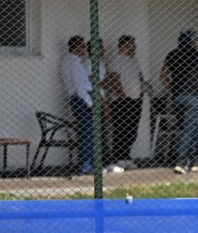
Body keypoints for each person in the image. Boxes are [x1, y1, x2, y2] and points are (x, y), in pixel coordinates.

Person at [160, 30, 198, 174]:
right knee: (189, 129)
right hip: (193, 96)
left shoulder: (172, 54)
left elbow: (163, 75)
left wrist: (172, 89)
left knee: (188, 127)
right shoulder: (197, 54)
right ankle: (181, 162)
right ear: (192, 41)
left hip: (178, 97)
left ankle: (193, 160)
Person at [106, 35, 148, 170]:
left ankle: (126, 156)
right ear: (124, 45)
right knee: (121, 129)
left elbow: (139, 76)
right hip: (122, 100)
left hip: (136, 99)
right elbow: (114, 77)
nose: (134, 47)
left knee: (132, 130)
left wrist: (142, 90)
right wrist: (121, 95)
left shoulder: (134, 60)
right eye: (132, 44)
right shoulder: (117, 59)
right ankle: (118, 157)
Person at [59, 35, 96, 174]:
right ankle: (86, 164)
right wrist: (90, 103)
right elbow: (79, 85)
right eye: (82, 46)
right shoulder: (73, 63)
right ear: (76, 47)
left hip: (79, 97)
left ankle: (87, 162)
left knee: (86, 131)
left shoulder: (71, 62)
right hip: (82, 98)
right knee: (87, 132)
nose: (85, 49)